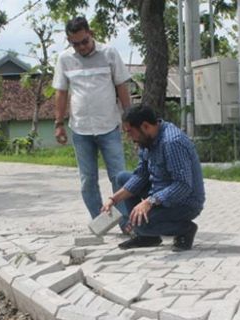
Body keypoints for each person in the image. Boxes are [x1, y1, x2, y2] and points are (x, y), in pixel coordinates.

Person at [52, 16, 131, 229]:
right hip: (80, 129)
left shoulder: (109, 54)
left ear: (91, 34)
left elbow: (122, 87)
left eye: (84, 41)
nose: (80, 47)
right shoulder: (64, 59)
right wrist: (58, 123)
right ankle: (101, 221)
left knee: (119, 176)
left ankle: (126, 223)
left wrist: (129, 118)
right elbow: (61, 92)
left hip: (109, 127)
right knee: (87, 180)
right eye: (74, 44)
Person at [101, 105, 205, 252]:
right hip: (160, 194)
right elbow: (141, 175)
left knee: (140, 225)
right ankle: (148, 237)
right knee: (123, 178)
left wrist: (150, 201)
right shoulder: (147, 140)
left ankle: (185, 230)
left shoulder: (172, 142)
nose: (129, 138)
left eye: (130, 132)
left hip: (184, 202)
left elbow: (183, 186)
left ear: (145, 126)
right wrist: (114, 199)